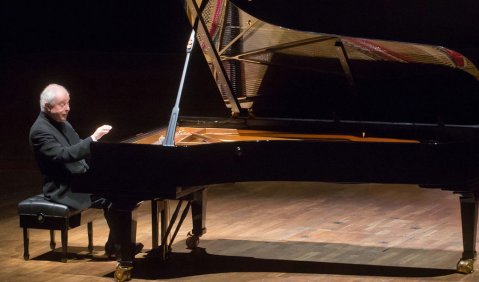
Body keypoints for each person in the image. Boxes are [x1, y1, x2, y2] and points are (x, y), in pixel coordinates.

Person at [29, 84, 140, 259]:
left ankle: (116, 244)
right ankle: (121, 247)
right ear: (48, 107)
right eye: (62, 104)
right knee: (110, 197)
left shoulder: (62, 122)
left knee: (122, 189)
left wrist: (107, 164)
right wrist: (94, 138)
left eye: (68, 103)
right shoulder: (39, 131)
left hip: (80, 178)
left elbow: (80, 149)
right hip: (63, 186)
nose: (67, 108)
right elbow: (64, 155)